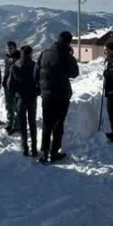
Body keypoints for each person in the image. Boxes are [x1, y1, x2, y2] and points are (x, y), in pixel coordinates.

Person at [36, 30, 79, 163]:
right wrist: (71, 56)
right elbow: (74, 73)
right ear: (68, 42)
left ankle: (44, 153)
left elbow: (35, 72)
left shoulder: (44, 53)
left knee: (47, 124)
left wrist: (41, 88)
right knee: (58, 125)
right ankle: (54, 153)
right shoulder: (66, 56)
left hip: (46, 95)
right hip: (61, 96)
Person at [7, 44, 39, 156]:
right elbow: (39, 82)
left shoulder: (15, 66)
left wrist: (16, 93)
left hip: (20, 98)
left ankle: (25, 148)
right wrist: (36, 92)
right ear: (30, 53)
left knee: (22, 124)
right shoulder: (35, 66)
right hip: (32, 98)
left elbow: (10, 85)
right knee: (32, 123)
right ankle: (34, 149)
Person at [2, 41, 20, 134]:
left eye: (11, 48)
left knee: (16, 106)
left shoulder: (19, 57)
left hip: (16, 86)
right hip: (7, 85)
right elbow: (6, 71)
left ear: (15, 48)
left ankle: (17, 125)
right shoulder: (7, 57)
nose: (9, 50)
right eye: (7, 48)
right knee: (9, 105)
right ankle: (10, 122)